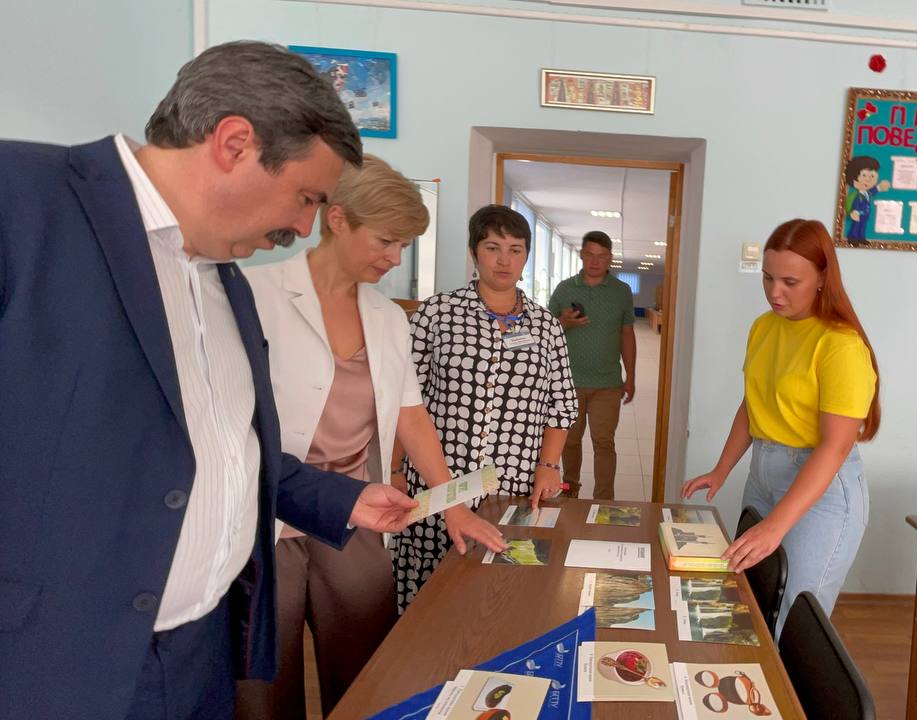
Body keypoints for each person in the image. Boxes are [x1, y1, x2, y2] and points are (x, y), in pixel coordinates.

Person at [0, 41, 420, 720]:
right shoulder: (22, 200)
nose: (304, 226)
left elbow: (224, 450)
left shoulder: (227, 282)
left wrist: (342, 499)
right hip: (57, 669)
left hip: (203, 660)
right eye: (305, 198)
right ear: (233, 143)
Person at [237, 156, 507, 718]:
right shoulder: (255, 295)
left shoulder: (387, 317)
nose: (396, 258)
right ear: (337, 219)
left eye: (404, 245)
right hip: (266, 512)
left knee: (367, 671)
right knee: (263, 681)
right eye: (386, 241)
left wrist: (452, 504)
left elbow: (411, 414)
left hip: (358, 510)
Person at [683, 219, 881, 629]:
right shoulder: (764, 327)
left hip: (821, 485)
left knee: (792, 618)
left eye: (790, 281)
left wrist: (776, 526)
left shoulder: (840, 345)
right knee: (751, 599)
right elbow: (752, 405)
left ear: (822, 277)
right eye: (768, 277)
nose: (775, 292)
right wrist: (721, 469)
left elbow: (835, 447)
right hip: (763, 474)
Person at [392, 205, 578, 611]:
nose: (504, 260)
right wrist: (393, 470)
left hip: (513, 484)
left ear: (526, 256)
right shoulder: (436, 314)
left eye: (515, 249)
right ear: (474, 252)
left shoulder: (546, 327)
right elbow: (403, 401)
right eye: (493, 248)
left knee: (502, 590)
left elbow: (561, 404)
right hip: (439, 481)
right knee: (430, 594)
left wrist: (549, 465)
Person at [548, 230, 637, 499]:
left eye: (602, 256)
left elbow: (627, 334)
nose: (595, 261)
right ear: (582, 255)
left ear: (610, 258)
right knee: (569, 441)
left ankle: (604, 499)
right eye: (590, 255)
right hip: (569, 383)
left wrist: (631, 376)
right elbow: (545, 330)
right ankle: (569, 491)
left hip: (607, 383)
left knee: (604, 443)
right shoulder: (565, 289)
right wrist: (563, 322)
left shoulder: (621, 292)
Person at [843, 155, 891, 243]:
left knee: (863, 226)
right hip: (858, 213)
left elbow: (872, 191)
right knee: (856, 226)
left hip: (865, 215)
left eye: (872, 176)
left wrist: (879, 187)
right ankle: (853, 237)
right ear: (854, 180)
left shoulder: (866, 193)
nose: (868, 180)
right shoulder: (857, 195)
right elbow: (855, 203)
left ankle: (861, 238)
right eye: (864, 175)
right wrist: (854, 211)